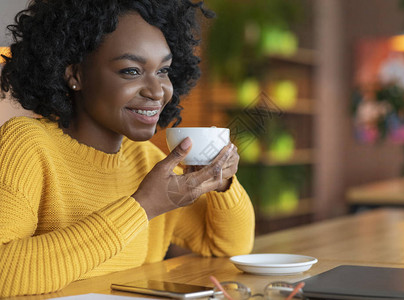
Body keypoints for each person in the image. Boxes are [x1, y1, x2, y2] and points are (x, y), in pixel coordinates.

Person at [0, 0, 255, 297]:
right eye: (131, 71)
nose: (158, 91)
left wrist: (221, 183)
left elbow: (227, 246)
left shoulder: (148, 162)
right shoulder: (26, 144)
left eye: (163, 70)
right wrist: (143, 205)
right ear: (75, 75)